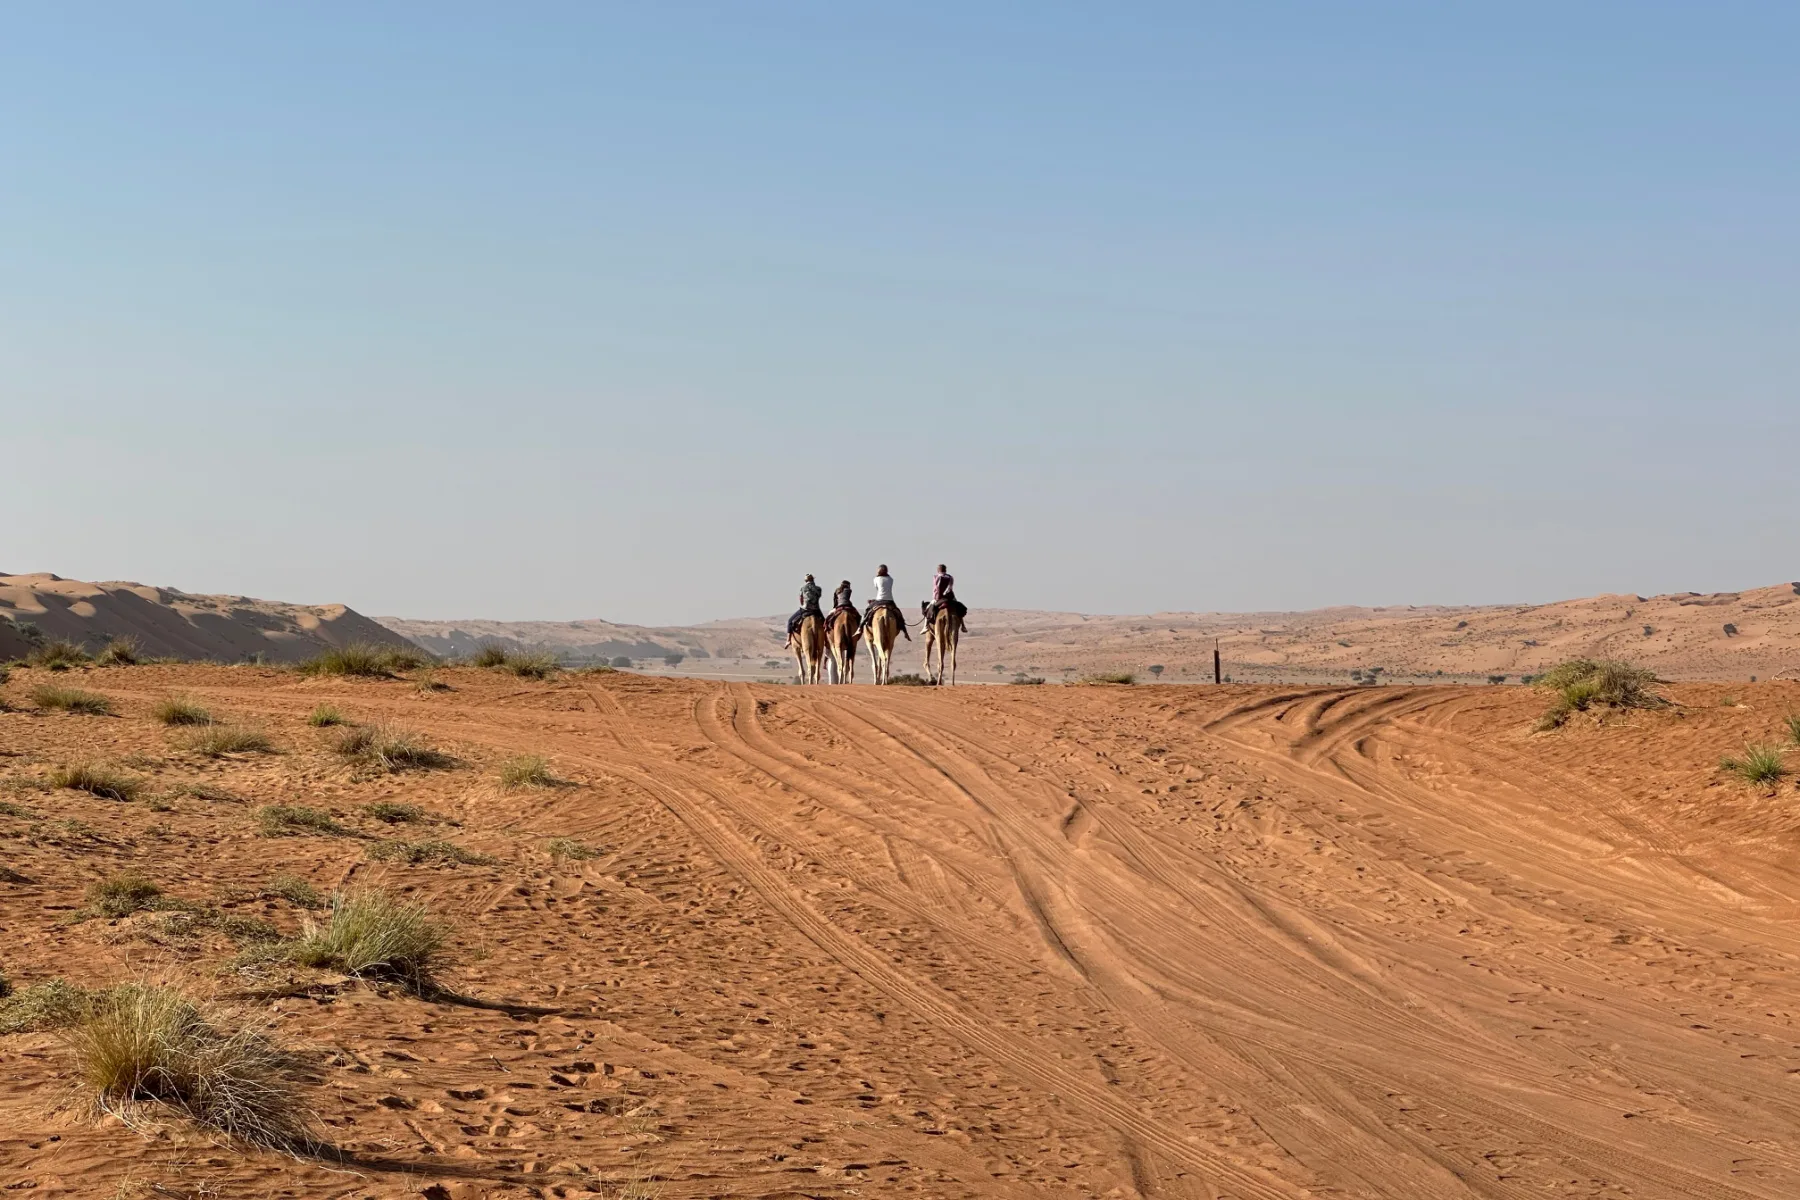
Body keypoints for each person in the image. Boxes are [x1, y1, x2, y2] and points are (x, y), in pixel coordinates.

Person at [863, 564, 911, 640]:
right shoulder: (891, 579)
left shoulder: (875, 579)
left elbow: (877, 589)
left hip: (879, 600)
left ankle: (860, 627)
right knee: (899, 615)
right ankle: (905, 633)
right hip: (890, 601)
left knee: (867, 611)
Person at [924, 563, 967, 630]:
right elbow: (950, 587)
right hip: (949, 597)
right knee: (958, 608)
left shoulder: (936, 577)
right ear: (945, 570)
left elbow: (936, 587)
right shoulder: (950, 577)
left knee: (928, 607)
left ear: (938, 570)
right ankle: (963, 626)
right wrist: (946, 594)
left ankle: (925, 626)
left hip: (938, 597)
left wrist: (936, 596)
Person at [786, 573, 822, 643]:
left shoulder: (802, 588)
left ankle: (788, 640)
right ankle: (826, 642)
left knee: (790, 621)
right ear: (813, 579)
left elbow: (801, 599)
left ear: (805, 580)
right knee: (825, 624)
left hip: (805, 609)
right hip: (816, 610)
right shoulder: (818, 588)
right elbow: (818, 596)